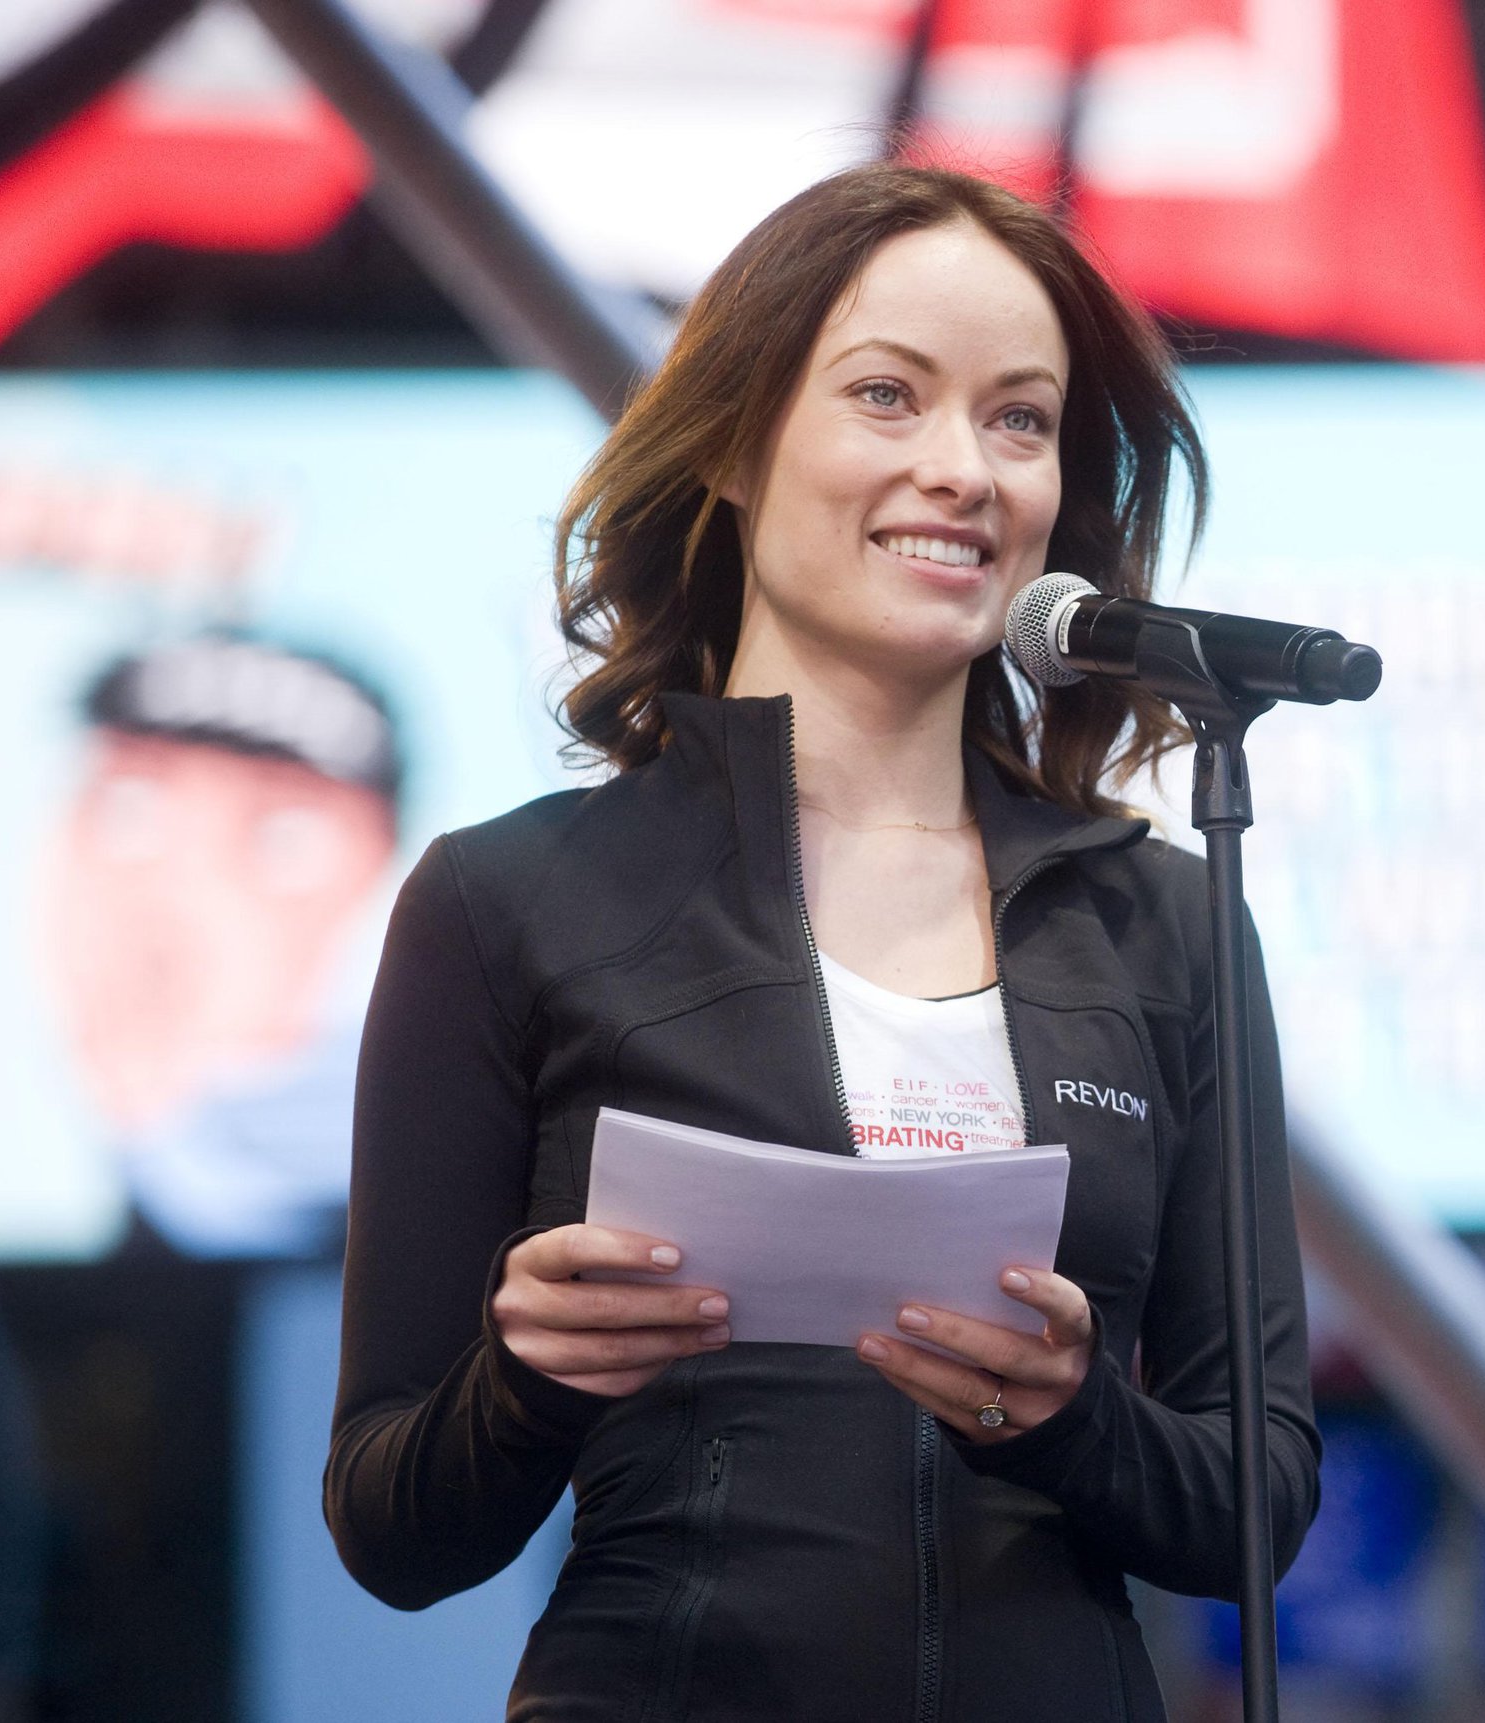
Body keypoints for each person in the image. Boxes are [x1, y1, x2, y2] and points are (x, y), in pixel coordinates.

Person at [324, 165, 1320, 1721]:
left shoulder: (1168, 921)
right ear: (729, 442)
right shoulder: (507, 899)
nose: (963, 470)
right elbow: (392, 1526)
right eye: (885, 395)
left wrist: (1068, 1415)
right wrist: (526, 1377)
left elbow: (1256, 1495)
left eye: (1019, 419)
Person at [42, 633, 403, 1257]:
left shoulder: (391, 1177)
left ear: (373, 878)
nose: (179, 893)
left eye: (283, 839)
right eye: (129, 810)